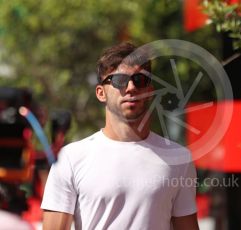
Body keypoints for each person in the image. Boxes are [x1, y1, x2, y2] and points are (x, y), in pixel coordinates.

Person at [41, 42, 199, 230]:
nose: (131, 87)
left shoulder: (179, 158)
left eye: (140, 80)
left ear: (149, 90)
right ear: (101, 93)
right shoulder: (70, 158)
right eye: (119, 80)